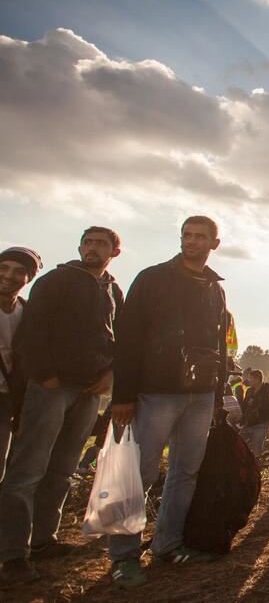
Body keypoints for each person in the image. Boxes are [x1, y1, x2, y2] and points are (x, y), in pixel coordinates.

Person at [108, 216, 231, 587]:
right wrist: (123, 395)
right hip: (157, 391)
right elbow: (127, 339)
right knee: (141, 473)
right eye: (186, 236)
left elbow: (220, 345)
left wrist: (219, 396)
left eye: (199, 237)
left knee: (185, 472)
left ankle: (168, 543)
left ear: (215, 243)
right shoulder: (152, 279)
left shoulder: (215, 288)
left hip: (201, 395)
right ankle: (123, 556)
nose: (190, 242)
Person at [0, 229, 122, 586]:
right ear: (80, 247)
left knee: (63, 467)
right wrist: (47, 377)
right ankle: (12, 555)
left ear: (115, 250)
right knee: (28, 469)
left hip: (91, 391)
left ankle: (42, 541)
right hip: (52, 387)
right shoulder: (56, 280)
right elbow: (32, 332)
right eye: (88, 243)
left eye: (100, 244)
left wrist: (111, 374)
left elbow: (122, 335)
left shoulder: (113, 289)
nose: (92, 249)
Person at [0, 246, 40, 486]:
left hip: (5, 401)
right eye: (3, 268)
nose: (8, 275)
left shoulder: (26, 313)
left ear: (28, 279)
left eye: (18, 271)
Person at [238, 369, 269, 456]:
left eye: (251, 378)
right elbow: (244, 407)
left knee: (256, 450)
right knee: (239, 444)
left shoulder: (267, 391)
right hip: (248, 423)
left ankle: (255, 467)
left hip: (261, 424)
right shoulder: (249, 391)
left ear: (257, 379)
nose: (249, 380)